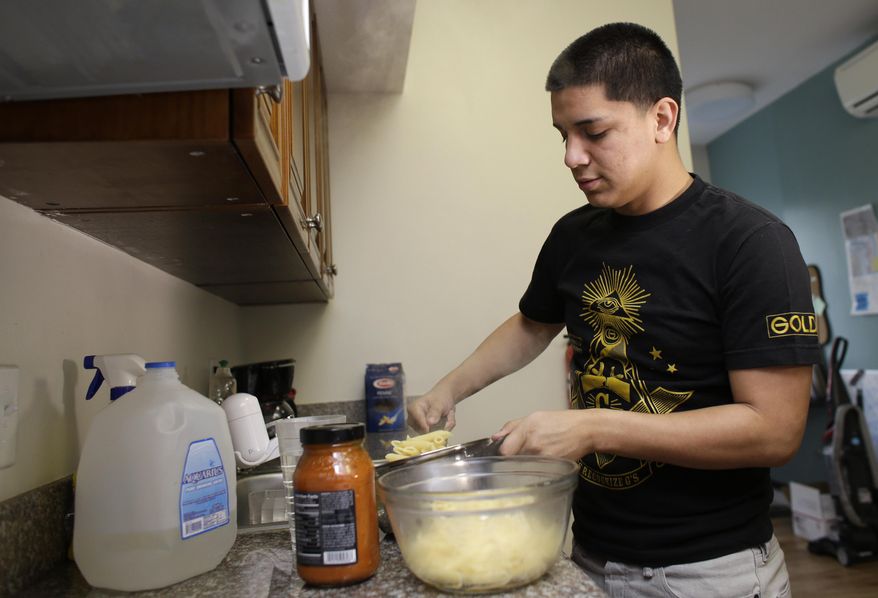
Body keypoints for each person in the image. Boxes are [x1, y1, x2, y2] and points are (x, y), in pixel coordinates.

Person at [407, 22, 819, 598]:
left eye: (593, 132)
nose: (572, 157)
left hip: (709, 571)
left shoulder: (752, 243)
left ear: (662, 119)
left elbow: (774, 431)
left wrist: (593, 426)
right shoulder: (573, 235)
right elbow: (532, 324)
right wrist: (448, 389)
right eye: (563, 135)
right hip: (591, 555)